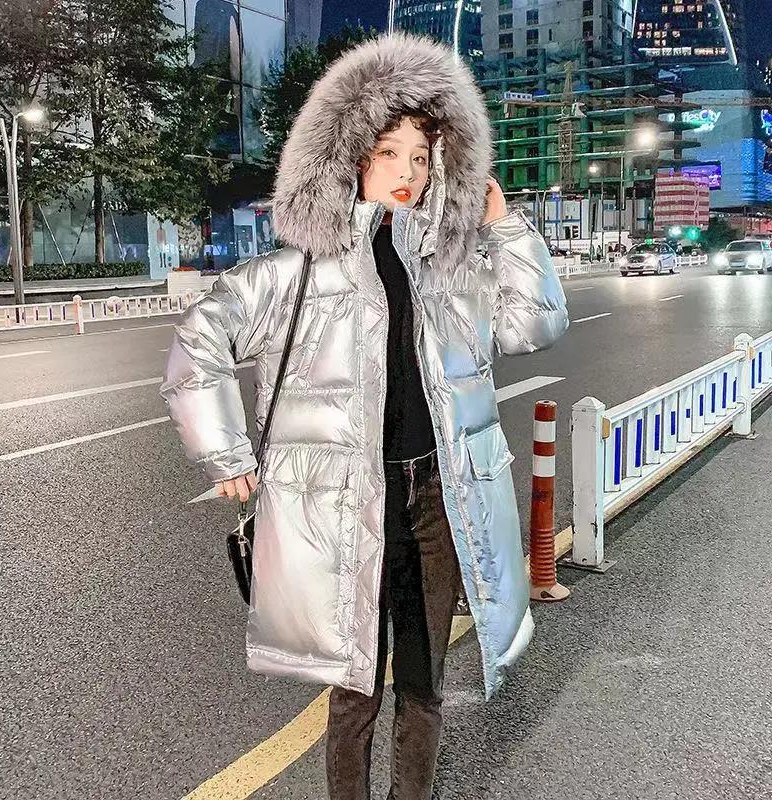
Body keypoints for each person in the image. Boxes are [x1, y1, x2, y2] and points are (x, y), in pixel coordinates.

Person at [161, 34, 568, 800]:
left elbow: (534, 326)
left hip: (437, 501)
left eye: (421, 157)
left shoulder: (452, 270)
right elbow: (199, 340)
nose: (407, 173)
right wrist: (225, 451)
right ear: (351, 157)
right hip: (347, 507)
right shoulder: (295, 273)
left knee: (423, 684)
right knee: (354, 692)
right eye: (389, 154)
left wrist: (508, 230)